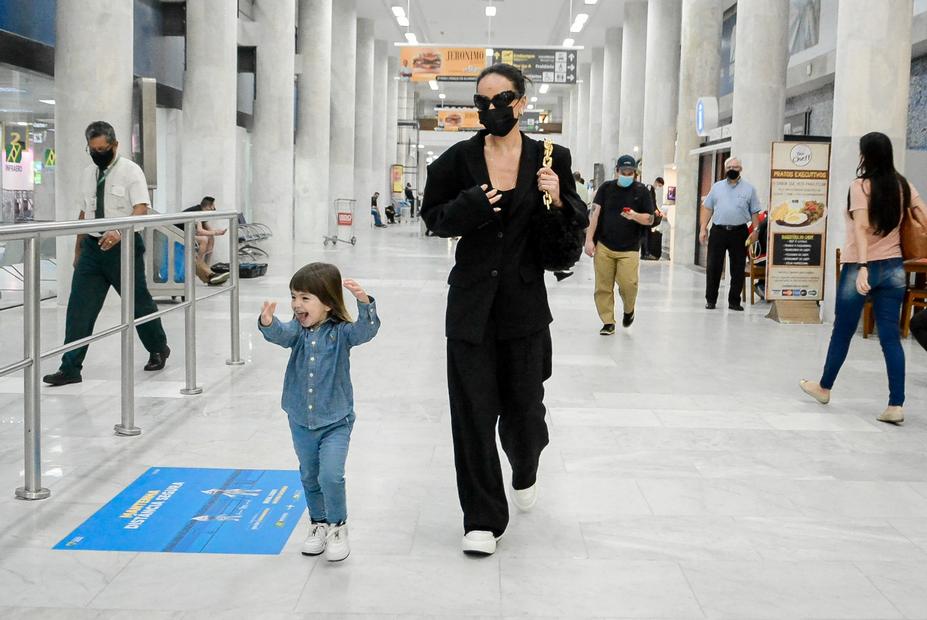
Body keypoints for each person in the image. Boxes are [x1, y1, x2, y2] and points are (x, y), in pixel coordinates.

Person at [421, 63, 588, 556]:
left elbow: (574, 222)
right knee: (472, 415)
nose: (490, 109)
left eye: (501, 99)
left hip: (524, 308)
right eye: (481, 101)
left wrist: (557, 198)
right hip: (470, 308)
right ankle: (482, 519)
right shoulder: (457, 160)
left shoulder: (550, 157)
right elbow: (434, 218)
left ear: (521, 102)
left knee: (524, 414)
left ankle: (527, 464)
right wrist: (470, 208)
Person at [800, 132, 927, 426]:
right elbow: (922, 215)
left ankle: (824, 387)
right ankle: (896, 404)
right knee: (890, 337)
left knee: (843, 331)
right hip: (895, 267)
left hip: (861, 266)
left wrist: (864, 266)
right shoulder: (903, 185)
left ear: (865, 155)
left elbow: (861, 228)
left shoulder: (860, 186)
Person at [258, 262, 380, 561]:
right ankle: (318, 523)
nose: (297, 305)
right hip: (300, 419)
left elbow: (366, 330)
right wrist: (268, 322)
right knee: (310, 476)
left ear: (327, 303)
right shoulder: (297, 332)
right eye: (294, 297)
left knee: (331, 476)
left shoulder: (342, 334)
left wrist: (364, 302)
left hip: (335, 419)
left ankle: (338, 526)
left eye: (305, 298)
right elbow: (281, 334)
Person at [43, 121, 171, 386]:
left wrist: (120, 231)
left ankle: (158, 348)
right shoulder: (88, 173)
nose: (98, 153)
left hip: (122, 248)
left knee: (138, 303)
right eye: (93, 149)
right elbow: (84, 213)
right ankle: (70, 368)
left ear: (115, 145)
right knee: (79, 308)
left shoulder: (130, 171)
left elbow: (141, 209)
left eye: (103, 148)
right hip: (92, 249)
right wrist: (78, 248)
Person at [584, 154, 655, 335]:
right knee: (603, 286)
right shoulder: (606, 188)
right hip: (604, 246)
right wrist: (589, 240)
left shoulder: (642, 192)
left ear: (635, 173)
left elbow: (650, 219)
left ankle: (629, 309)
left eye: (630, 172)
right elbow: (595, 214)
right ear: (617, 171)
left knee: (629, 284)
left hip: (629, 248)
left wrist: (635, 216)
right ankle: (608, 321)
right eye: (623, 171)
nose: (626, 175)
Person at [699, 157, 763, 311]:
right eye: (730, 167)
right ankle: (711, 300)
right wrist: (703, 228)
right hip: (718, 231)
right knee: (713, 267)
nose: (732, 170)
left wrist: (756, 231)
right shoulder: (717, 187)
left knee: (738, 267)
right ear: (725, 169)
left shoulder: (749, 189)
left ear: (740, 169)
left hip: (739, 232)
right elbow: (707, 208)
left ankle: (734, 301)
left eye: (736, 167)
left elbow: (755, 212)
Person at [174, 196, 230, 286]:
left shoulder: (202, 212)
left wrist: (214, 234)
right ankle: (209, 272)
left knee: (209, 238)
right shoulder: (197, 212)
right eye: (213, 208)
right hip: (176, 234)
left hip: (185, 235)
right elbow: (200, 231)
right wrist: (215, 232)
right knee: (203, 240)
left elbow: (208, 229)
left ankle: (209, 271)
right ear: (208, 207)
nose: (214, 210)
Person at [641, 177, 665, 261]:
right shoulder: (649, 188)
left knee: (647, 233)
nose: (659, 187)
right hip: (647, 215)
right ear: (656, 182)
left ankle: (645, 253)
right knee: (646, 233)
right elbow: (650, 201)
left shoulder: (651, 190)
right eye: (659, 185)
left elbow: (653, 203)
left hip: (649, 214)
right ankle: (646, 253)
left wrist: (657, 210)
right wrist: (655, 210)